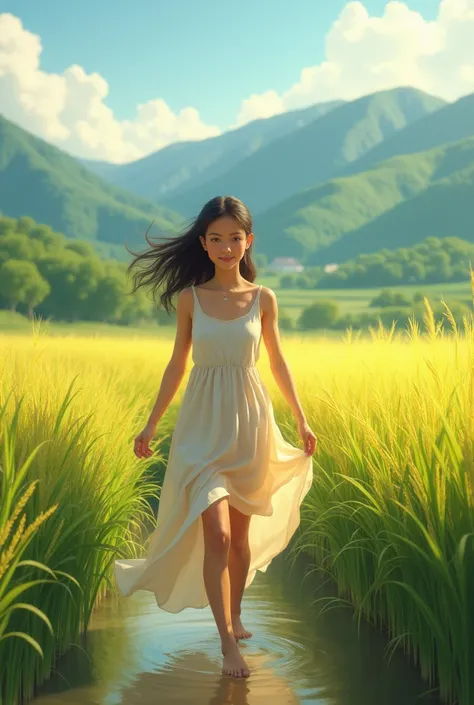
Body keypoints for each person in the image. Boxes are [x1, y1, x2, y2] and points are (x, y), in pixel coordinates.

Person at [114, 195, 317, 679]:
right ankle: (227, 641)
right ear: (203, 244)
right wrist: (150, 422)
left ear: (249, 241)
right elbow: (176, 364)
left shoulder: (264, 298)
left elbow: (278, 362)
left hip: (249, 423)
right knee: (218, 533)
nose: (226, 247)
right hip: (200, 427)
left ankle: (237, 613)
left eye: (234, 237)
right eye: (216, 238)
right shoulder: (190, 299)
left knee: (241, 539)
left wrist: (302, 419)